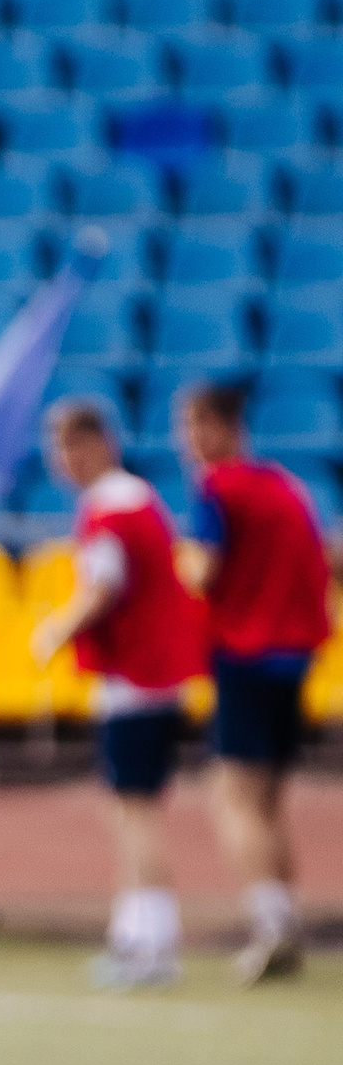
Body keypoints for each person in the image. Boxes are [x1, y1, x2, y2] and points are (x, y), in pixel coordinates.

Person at [28, 401, 209, 990]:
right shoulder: (137, 502)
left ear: (100, 444)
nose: (65, 463)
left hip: (137, 677)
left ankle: (151, 940)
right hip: (152, 674)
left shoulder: (112, 509)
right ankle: (136, 931)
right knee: (132, 808)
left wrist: (57, 629)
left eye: (73, 448)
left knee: (136, 811)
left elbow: (102, 587)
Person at [180, 381, 334, 984]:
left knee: (234, 795)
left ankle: (270, 924)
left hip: (245, 654)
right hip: (295, 659)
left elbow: (202, 569)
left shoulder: (218, 489)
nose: (186, 442)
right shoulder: (288, 488)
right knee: (268, 799)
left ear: (221, 427)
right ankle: (284, 918)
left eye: (193, 426)